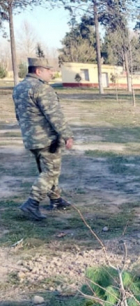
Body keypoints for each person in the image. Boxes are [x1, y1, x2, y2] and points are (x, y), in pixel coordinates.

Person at [13, 57, 75, 221]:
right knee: (50, 172)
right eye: (49, 70)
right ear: (38, 71)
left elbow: (18, 115)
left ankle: (56, 200)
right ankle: (32, 203)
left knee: (47, 169)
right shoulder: (42, 88)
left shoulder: (19, 88)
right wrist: (67, 134)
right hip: (47, 138)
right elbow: (54, 115)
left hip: (30, 138)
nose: (51, 73)